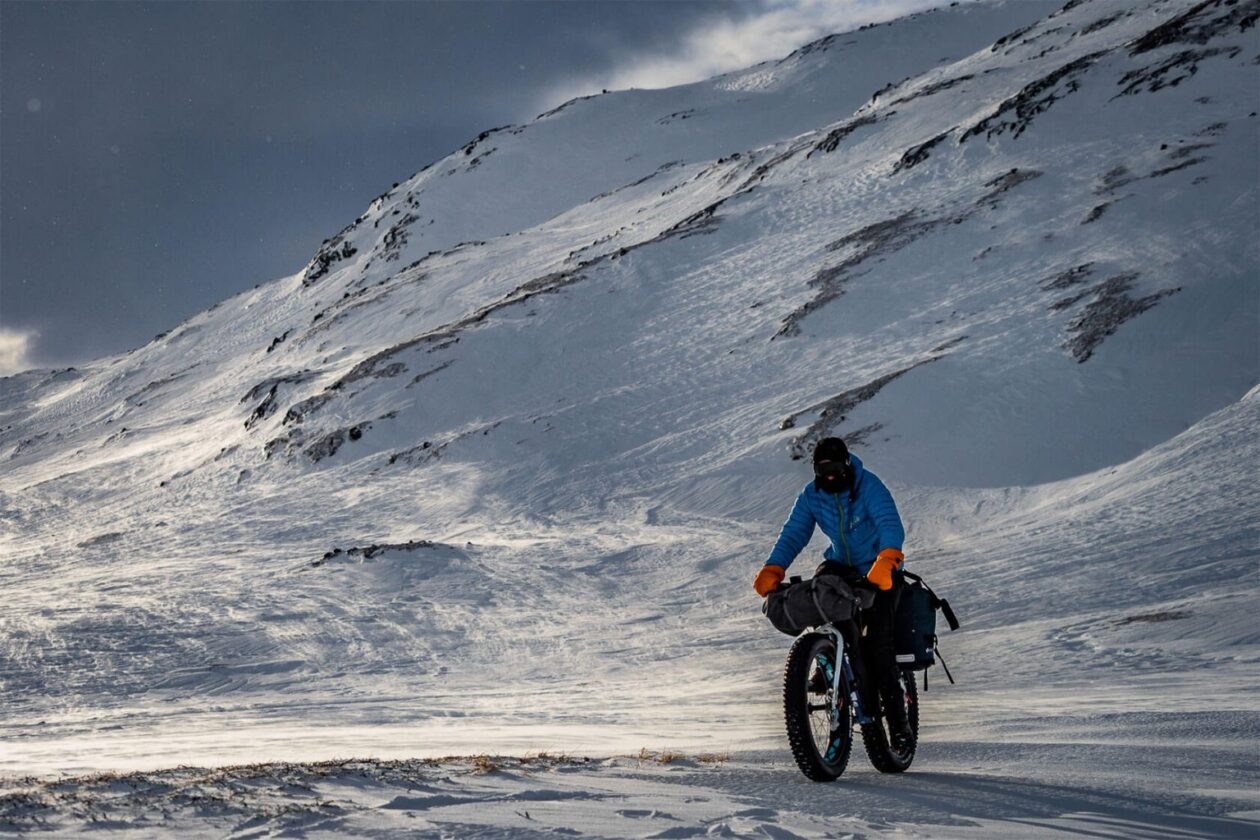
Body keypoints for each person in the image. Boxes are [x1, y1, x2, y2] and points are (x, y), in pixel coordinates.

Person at [753, 436, 911, 743]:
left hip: (881, 570)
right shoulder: (813, 495)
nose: (829, 475)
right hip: (841, 567)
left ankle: (899, 726)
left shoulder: (869, 487)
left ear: (847, 465)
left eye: (835, 468)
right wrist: (774, 568)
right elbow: (794, 533)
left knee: (878, 647)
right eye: (821, 469)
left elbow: (889, 524)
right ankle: (826, 659)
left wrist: (888, 557)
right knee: (821, 599)